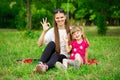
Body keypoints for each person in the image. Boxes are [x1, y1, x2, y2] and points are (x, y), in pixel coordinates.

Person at [34, 8, 71, 74]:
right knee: (52, 43)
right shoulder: (52, 31)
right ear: (54, 19)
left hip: (63, 56)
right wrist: (44, 31)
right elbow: (39, 44)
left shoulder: (70, 30)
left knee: (56, 54)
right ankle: (40, 64)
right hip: (53, 54)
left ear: (65, 17)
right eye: (57, 18)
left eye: (61, 17)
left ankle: (45, 67)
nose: (60, 19)